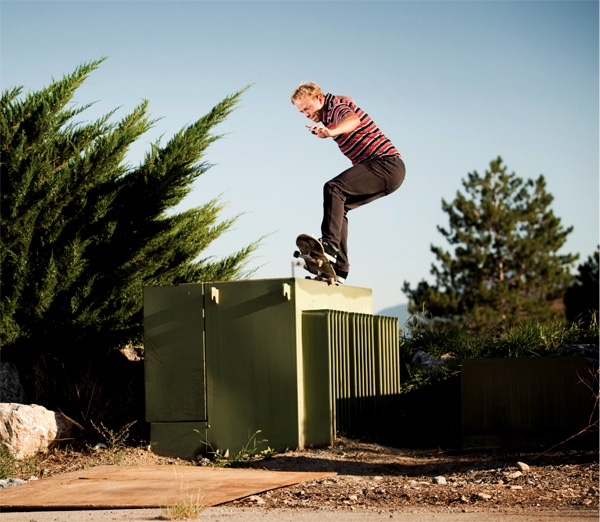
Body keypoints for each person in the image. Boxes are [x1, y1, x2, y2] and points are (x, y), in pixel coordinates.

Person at [291, 82, 406, 284]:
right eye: (302, 112)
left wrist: (331, 132)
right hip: (388, 172)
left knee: (334, 188)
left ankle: (329, 246)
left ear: (319, 99)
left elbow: (353, 119)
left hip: (384, 164)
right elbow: (350, 100)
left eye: (307, 108)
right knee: (339, 205)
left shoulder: (335, 108)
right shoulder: (335, 104)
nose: (307, 114)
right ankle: (339, 269)